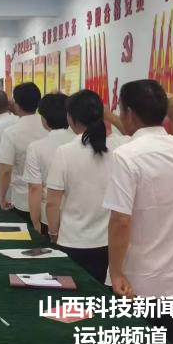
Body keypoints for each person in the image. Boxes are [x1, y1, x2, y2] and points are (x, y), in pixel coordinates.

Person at [104, 80, 173, 344]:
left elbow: (121, 220)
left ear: (129, 113)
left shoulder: (126, 155)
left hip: (138, 282)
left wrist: (116, 272)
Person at [45, 90, 128, 284]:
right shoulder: (120, 146)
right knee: (103, 297)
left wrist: (53, 233)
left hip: (73, 240)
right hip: (110, 242)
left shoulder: (65, 152)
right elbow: (132, 134)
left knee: (74, 298)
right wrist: (111, 117)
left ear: (70, 118)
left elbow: (52, 203)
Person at [23, 93, 73, 236]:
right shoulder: (80, 142)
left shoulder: (36, 147)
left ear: (44, 119)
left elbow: (35, 188)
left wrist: (36, 221)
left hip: (49, 217)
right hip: (80, 215)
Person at [0, 83, 47, 216]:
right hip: (50, 198)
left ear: (16, 104)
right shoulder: (48, 126)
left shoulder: (11, 132)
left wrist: (2, 197)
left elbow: (5, 170)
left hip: (23, 199)